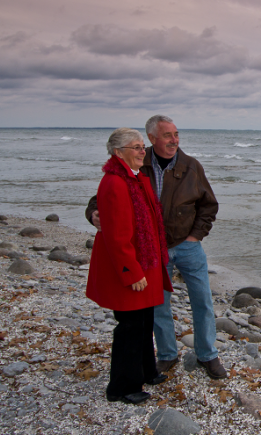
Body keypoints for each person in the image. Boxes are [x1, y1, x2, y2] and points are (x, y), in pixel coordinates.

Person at [86, 115, 226, 379]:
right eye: (167, 135)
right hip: (150, 250)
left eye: (176, 134)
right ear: (152, 139)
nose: (174, 140)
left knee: (203, 302)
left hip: (187, 246)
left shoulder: (191, 166)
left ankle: (207, 355)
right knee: (158, 305)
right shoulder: (137, 162)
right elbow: (102, 197)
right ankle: (166, 355)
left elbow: (209, 205)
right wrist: (93, 213)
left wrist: (196, 235)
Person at [86, 128, 172, 405]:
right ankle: (122, 386)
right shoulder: (115, 182)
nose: (141, 151)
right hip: (129, 265)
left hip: (144, 261)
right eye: (135, 147)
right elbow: (117, 235)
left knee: (145, 319)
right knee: (130, 326)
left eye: (142, 146)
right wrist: (131, 271)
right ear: (118, 152)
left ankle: (146, 370)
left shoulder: (134, 178)